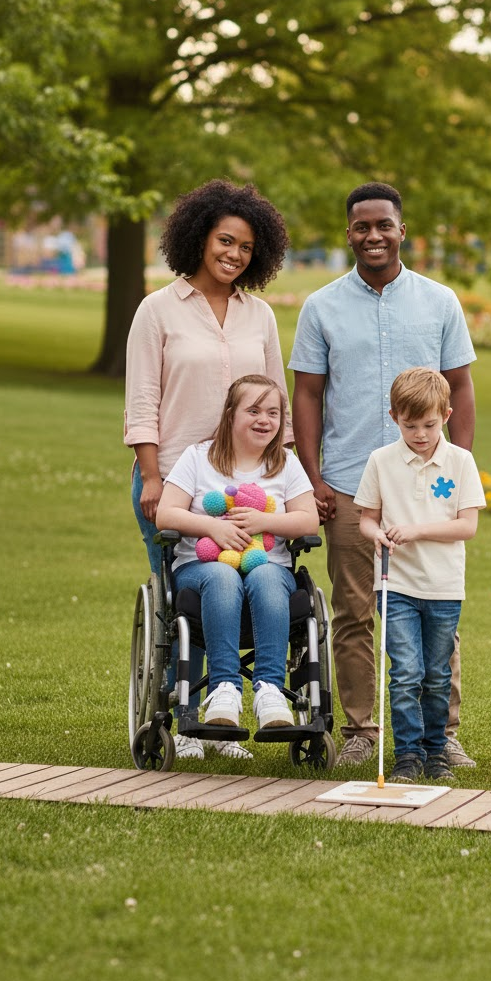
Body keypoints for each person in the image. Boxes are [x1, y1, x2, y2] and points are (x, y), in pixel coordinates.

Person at [289, 182, 478, 769]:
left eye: (383, 225)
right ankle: (362, 732)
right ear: (348, 233)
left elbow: (462, 387)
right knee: (354, 612)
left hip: (426, 487)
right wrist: (313, 478)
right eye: (361, 226)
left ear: (402, 229)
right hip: (350, 485)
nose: (373, 235)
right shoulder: (321, 307)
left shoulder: (439, 301)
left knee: (434, 608)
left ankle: (440, 733)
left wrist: (454, 465)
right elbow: (308, 396)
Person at [124, 179, 291, 760]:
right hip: (175, 481)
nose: (234, 255)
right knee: (183, 604)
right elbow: (143, 400)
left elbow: (276, 399)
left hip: (254, 484)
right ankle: (189, 719)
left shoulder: (259, 314)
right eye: (225, 241)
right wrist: (149, 476)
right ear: (199, 238)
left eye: (246, 247)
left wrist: (289, 477)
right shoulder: (158, 310)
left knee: (255, 581)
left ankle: (240, 701)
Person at [155, 375, 319, 735]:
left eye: (273, 412)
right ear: (230, 414)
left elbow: (310, 520)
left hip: (268, 567)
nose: (265, 420)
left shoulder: (285, 463)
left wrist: (265, 519)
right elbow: (165, 514)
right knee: (223, 575)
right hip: (202, 569)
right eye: (254, 410)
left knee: (265, 575)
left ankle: (270, 691)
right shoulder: (198, 458)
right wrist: (212, 528)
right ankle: (224, 689)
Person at [354, 368, 485, 782]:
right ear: (394, 417)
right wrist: (378, 535)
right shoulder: (381, 461)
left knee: (436, 673)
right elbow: (366, 520)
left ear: (445, 415)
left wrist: (416, 530)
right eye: (410, 425)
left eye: (429, 424)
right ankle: (407, 755)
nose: (420, 434)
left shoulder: (460, 462)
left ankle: (436, 751)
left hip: (443, 587)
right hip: (396, 585)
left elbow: (467, 526)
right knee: (406, 672)